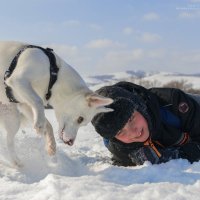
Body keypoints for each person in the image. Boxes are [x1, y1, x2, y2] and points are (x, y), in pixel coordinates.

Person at [91, 81, 200, 166]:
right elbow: (122, 159)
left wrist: (176, 155)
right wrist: (134, 158)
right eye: (120, 132)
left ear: (140, 107)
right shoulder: (118, 146)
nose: (133, 132)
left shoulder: (173, 103)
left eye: (131, 119)